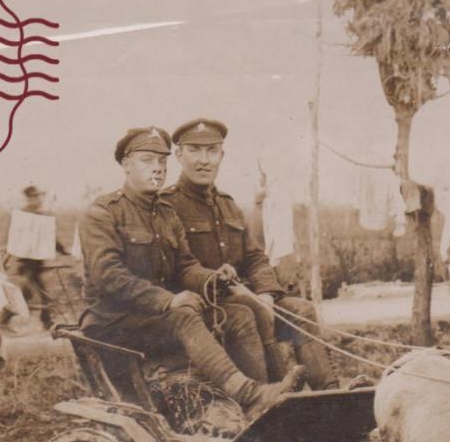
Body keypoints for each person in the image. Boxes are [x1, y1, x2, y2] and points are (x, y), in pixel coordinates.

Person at [77, 126, 302, 419]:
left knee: (240, 313)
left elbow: (185, 266)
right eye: (147, 160)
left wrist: (212, 278)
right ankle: (248, 396)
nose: (157, 169)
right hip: (113, 323)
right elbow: (107, 276)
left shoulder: (166, 214)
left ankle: (265, 400)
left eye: (162, 161)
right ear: (126, 164)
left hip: (155, 319)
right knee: (184, 314)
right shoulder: (103, 212)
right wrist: (167, 301)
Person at [163, 118, 338, 389]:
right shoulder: (167, 206)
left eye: (211, 151)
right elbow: (175, 269)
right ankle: (268, 400)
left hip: (248, 299)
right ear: (179, 155)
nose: (203, 160)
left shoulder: (228, 206)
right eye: (194, 150)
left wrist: (267, 294)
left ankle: (329, 395)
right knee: (245, 314)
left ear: (221, 155)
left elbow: (255, 258)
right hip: (204, 311)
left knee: (300, 310)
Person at [4, 185, 65, 329]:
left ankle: (45, 320)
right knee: (31, 291)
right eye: (35, 197)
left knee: (33, 291)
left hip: (37, 261)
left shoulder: (41, 215)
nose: (38, 200)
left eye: (39, 197)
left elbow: (50, 237)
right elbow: (13, 237)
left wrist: (62, 250)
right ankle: (44, 321)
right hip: (26, 262)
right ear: (29, 199)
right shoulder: (23, 215)